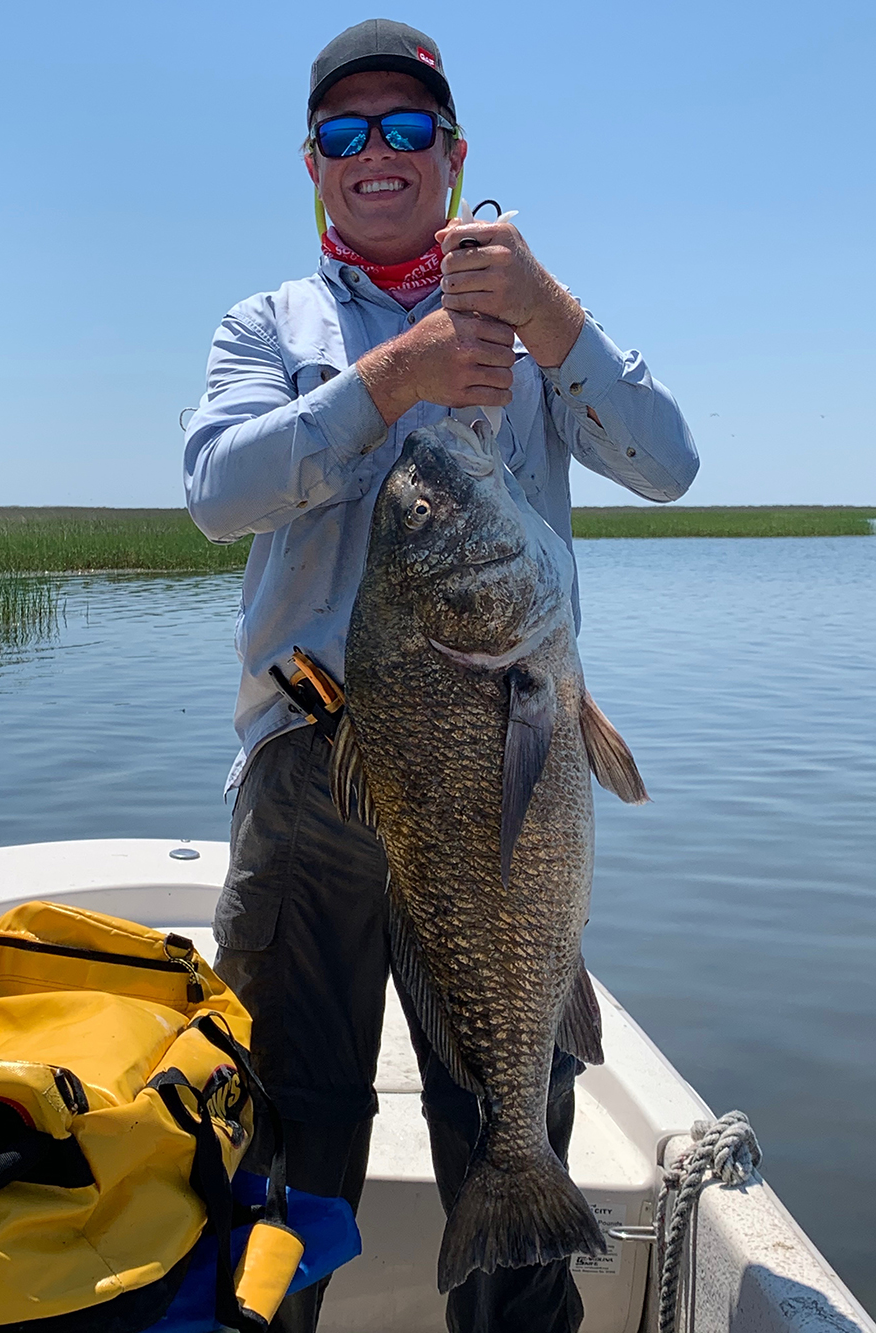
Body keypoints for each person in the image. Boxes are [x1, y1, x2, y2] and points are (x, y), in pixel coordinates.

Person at [184, 19, 698, 1333]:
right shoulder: (270, 323)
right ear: (313, 164)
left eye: (406, 129)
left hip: (494, 744)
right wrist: (389, 378)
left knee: (509, 1102)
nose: (377, 152)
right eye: (346, 132)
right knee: (287, 1118)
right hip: (312, 769)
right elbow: (217, 493)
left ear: (452, 156)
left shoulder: (528, 315)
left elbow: (668, 464)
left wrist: (552, 318)